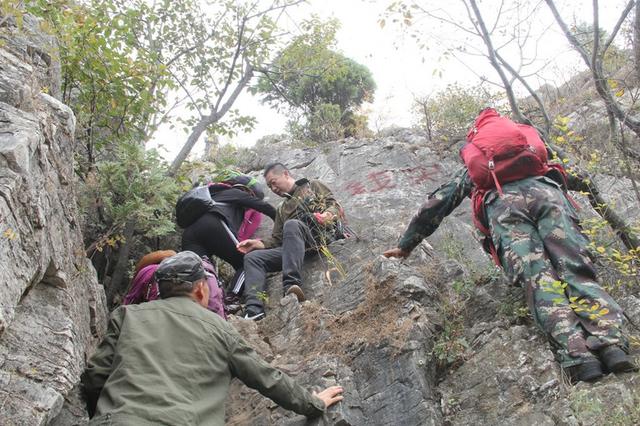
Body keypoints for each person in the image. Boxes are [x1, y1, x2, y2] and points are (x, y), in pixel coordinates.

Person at [384, 109, 636, 383]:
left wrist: (407, 244)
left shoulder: (477, 163)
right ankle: (611, 346)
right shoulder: (528, 146)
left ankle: (580, 359)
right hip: (548, 196)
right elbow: (574, 176)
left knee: (539, 279)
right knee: (576, 267)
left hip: (504, 207)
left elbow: (440, 201)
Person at [81, 250, 344, 425]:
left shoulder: (128, 315)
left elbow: (95, 377)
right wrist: (313, 402)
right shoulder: (219, 328)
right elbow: (266, 378)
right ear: (200, 289)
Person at [237, 163, 343, 321]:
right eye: (269, 186)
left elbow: (334, 205)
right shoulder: (281, 208)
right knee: (252, 258)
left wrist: (327, 215)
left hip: (317, 237)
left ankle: (291, 285)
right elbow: (277, 239)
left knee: (292, 224)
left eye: (274, 182)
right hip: (293, 248)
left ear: (286, 174)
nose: (273, 188)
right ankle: (254, 310)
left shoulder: (311, 186)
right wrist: (257, 244)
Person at [182, 181, 276, 298]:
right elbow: (263, 206)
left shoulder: (213, 196)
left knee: (196, 273)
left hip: (189, 235)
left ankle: (197, 303)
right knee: (248, 261)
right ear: (247, 191)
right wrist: (281, 220)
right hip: (212, 224)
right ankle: (232, 297)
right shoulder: (235, 192)